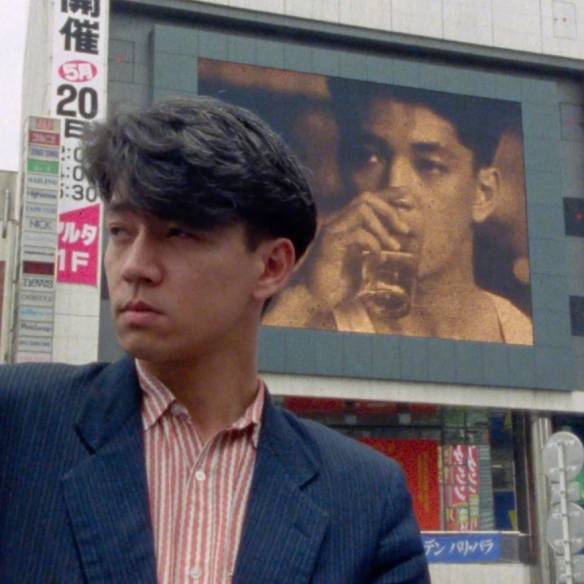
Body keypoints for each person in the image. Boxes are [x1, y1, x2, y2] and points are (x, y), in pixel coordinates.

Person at [0, 98, 430, 583]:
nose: (134, 267)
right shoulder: (18, 427)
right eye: (120, 232)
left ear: (272, 266)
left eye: (178, 233)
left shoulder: (364, 498)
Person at [266, 83, 533, 345]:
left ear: (483, 194)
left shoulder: (520, 335)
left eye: (430, 165)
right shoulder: (313, 321)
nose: (396, 188)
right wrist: (306, 295)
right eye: (369, 157)